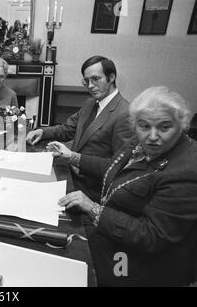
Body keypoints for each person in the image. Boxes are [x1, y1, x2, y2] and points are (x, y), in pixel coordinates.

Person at [58, 86, 197, 286]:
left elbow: (152, 236)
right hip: (114, 234)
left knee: (69, 267)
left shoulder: (187, 170)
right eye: (144, 126)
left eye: (164, 127)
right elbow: (112, 166)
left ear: (182, 125)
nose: (152, 135)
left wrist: (93, 208)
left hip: (141, 264)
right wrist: (72, 156)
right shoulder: (140, 142)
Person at [26, 55, 132, 201]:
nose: (90, 86)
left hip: (90, 189)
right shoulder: (91, 103)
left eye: (95, 79)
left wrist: (73, 157)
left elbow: (117, 166)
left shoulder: (125, 113)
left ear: (111, 77)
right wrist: (42, 131)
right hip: (70, 173)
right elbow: (68, 129)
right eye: (86, 81)